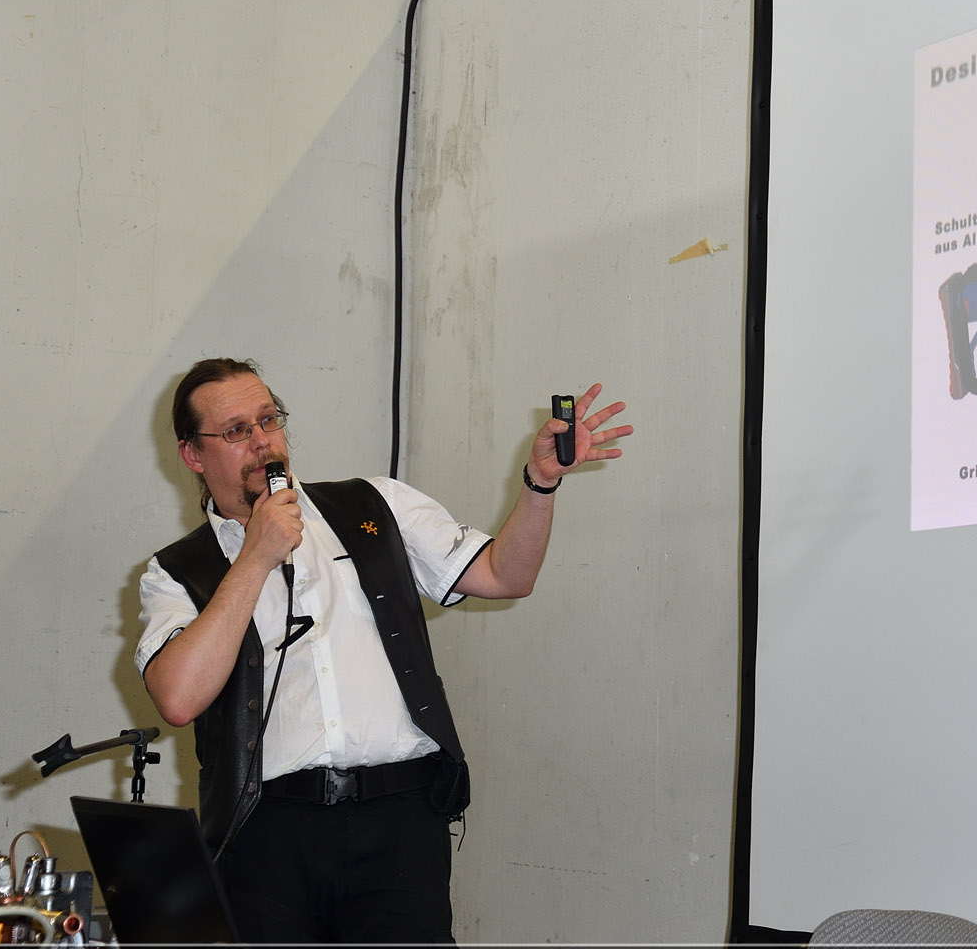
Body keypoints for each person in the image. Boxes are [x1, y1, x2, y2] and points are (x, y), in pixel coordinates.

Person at [133, 357, 630, 943]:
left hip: (400, 822)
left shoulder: (374, 505)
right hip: (268, 833)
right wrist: (256, 557)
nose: (262, 441)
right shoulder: (176, 571)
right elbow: (178, 698)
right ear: (193, 454)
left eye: (269, 419)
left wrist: (540, 484)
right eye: (237, 430)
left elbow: (505, 575)